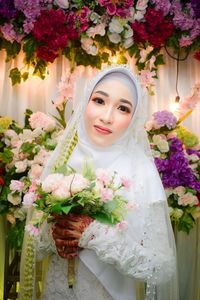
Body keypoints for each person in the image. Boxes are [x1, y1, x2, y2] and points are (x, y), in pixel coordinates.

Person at [19, 65, 179, 300]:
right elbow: (35, 242)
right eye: (99, 101)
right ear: (85, 102)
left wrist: (96, 235)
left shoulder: (140, 171)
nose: (107, 117)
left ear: (133, 118)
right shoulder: (65, 157)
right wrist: (56, 236)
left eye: (123, 108)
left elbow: (161, 267)